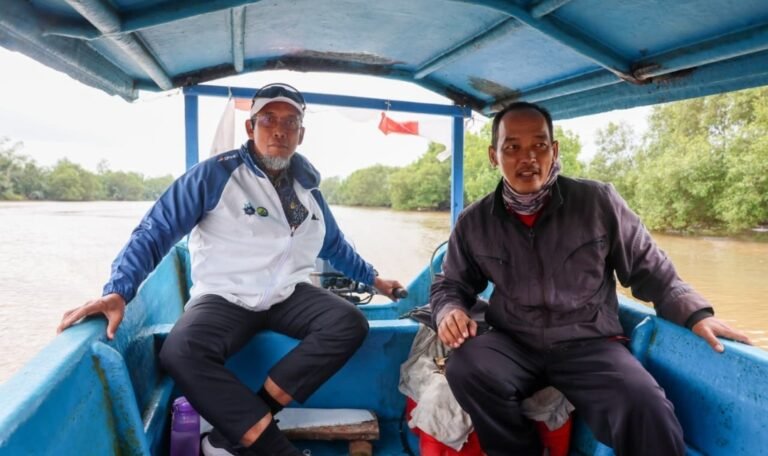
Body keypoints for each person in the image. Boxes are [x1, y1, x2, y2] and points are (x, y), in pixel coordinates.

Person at [57, 83, 404, 456]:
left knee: (349, 323)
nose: (279, 130)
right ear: (250, 127)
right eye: (268, 119)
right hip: (225, 295)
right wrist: (119, 290)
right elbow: (156, 229)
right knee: (180, 352)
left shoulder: (310, 191)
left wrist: (375, 279)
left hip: (288, 294)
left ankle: (235, 433)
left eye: (290, 122)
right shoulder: (216, 175)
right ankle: (272, 447)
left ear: (301, 135)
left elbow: (334, 245)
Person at [429, 101, 751, 456]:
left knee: (646, 406)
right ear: (494, 156)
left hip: (590, 343)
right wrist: (448, 311)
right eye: (512, 147)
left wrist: (695, 314)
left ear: (555, 150)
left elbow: (651, 268)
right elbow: (451, 284)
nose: (528, 158)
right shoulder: (474, 222)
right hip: (513, 341)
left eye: (539, 145)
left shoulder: (598, 202)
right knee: (466, 366)